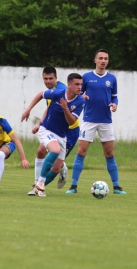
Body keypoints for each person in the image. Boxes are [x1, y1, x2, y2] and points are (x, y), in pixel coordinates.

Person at [66, 49, 126, 195]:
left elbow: (114, 97)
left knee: (110, 153)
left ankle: (117, 186)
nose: (103, 61)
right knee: (81, 151)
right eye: (101, 58)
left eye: (106, 58)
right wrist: (82, 96)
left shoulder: (112, 78)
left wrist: (115, 104)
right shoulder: (86, 77)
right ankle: (73, 186)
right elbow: (78, 93)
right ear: (95, 60)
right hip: (89, 120)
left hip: (106, 121)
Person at [22, 73, 85, 197]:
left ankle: (38, 188)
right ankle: (39, 182)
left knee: (56, 169)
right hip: (47, 130)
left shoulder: (80, 101)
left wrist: (66, 109)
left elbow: (72, 121)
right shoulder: (58, 93)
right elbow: (41, 94)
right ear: (69, 85)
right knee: (53, 150)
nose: (79, 87)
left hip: (62, 136)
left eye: (81, 84)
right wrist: (28, 109)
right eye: (77, 84)